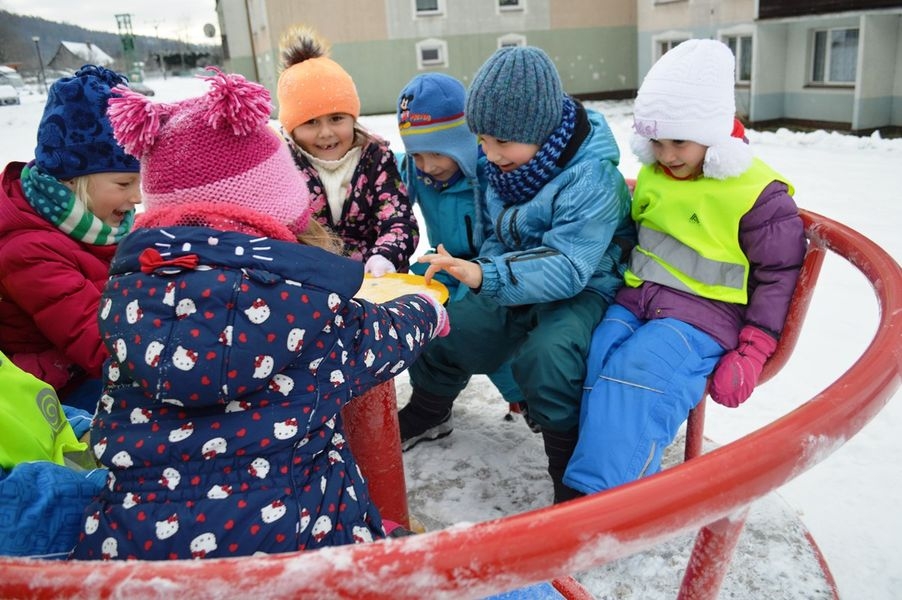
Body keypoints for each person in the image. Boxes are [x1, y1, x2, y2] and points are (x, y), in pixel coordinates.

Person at [69, 69, 449, 560]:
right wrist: (425, 309)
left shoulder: (128, 305)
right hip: (301, 549)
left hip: (135, 557)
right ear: (277, 215)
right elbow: (382, 338)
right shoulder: (302, 309)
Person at [564, 39, 807, 495]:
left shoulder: (755, 193)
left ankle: (599, 507)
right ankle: (596, 482)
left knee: (637, 374)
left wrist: (752, 352)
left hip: (706, 317)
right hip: (639, 302)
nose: (667, 154)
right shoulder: (658, 174)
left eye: (680, 141)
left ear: (714, 136)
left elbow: (778, 275)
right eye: (656, 141)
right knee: (598, 352)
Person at [398, 46, 636, 504]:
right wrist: (481, 273)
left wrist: (485, 275)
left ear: (539, 132)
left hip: (584, 288)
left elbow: (568, 267)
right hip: (515, 277)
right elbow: (494, 237)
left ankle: (570, 479)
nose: (486, 154)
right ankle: (430, 410)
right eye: (481, 140)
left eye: (499, 142)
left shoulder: (592, 179)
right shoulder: (502, 166)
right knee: (448, 325)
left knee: (549, 358)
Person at [0, 65, 142, 412]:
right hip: (48, 392)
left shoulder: (97, 223)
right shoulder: (29, 250)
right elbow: (100, 344)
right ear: (71, 181)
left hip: (84, 367)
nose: (138, 197)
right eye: (124, 184)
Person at [395, 72, 526, 411]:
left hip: (488, 268)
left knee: (474, 327)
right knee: (412, 313)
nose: (427, 166)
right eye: (417, 156)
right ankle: (431, 402)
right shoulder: (416, 170)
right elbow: (379, 179)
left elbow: (507, 237)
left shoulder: (493, 173)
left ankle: (525, 398)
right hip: (441, 264)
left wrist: (479, 273)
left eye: (437, 153)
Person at [277, 26, 418, 276]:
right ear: (291, 128)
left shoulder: (374, 158)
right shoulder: (283, 165)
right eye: (310, 122)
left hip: (375, 279)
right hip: (310, 282)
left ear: (352, 118)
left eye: (336, 118)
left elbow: (398, 218)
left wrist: (385, 256)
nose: (326, 133)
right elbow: (276, 230)